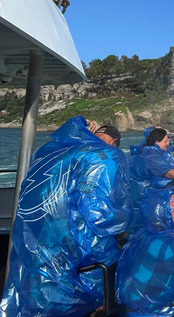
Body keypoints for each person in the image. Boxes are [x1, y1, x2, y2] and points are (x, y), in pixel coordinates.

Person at [0, 116, 132, 317]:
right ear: (114, 142)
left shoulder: (48, 150)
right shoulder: (106, 155)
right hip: (72, 256)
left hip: (32, 246)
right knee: (115, 259)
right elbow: (100, 216)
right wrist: (124, 225)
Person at [128, 127, 174, 232]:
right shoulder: (151, 157)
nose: (168, 144)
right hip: (147, 199)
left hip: (153, 197)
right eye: (166, 141)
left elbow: (172, 167)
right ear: (157, 142)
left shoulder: (155, 151)